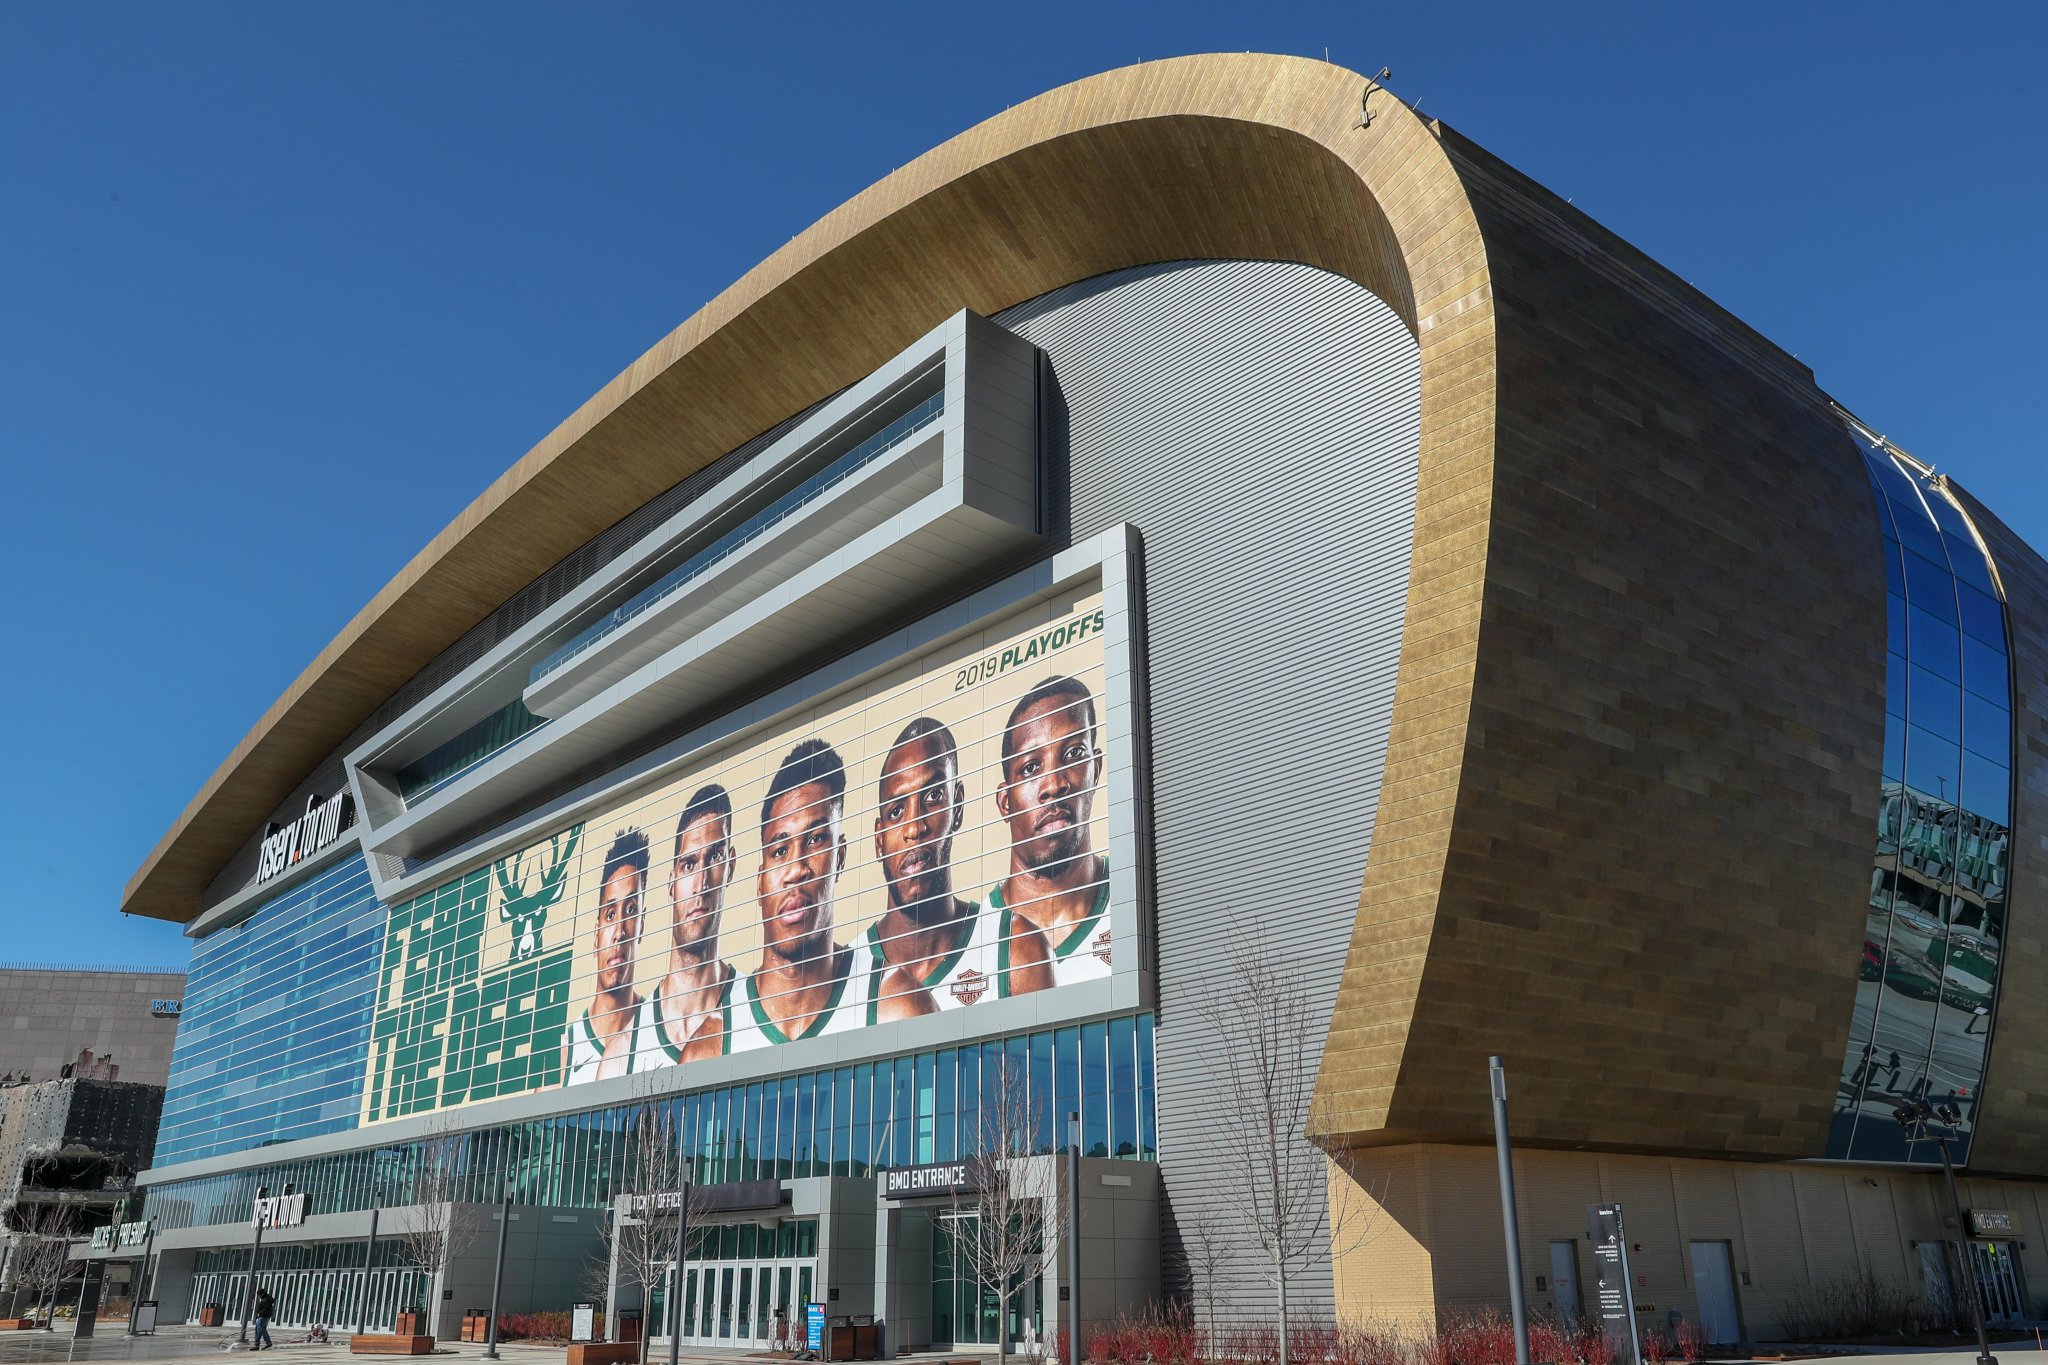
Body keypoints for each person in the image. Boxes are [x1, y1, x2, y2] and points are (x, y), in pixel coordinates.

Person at [867, 718, 1052, 1019]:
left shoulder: (1015, 950)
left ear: (958, 808)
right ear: (879, 841)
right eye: (896, 811)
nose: (914, 827)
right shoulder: (846, 971)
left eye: (933, 797)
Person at [732, 740, 869, 1048]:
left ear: (840, 856)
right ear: (760, 882)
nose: (796, 869)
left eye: (816, 839)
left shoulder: (894, 1008)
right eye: (780, 850)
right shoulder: (711, 1046)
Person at [988, 676, 1113, 985]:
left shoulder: (1137, 900)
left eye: (1073, 754)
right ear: (1005, 803)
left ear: (1095, 771)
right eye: (1031, 767)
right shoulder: (976, 938)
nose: (1054, 785)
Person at [638, 786, 739, 1066]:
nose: (701, 884)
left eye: (715, 858)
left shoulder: (752, 1010)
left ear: (730, 866)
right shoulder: (625, 1047)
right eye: (688, 864)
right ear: (671, 881)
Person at [566, 830, 651, 1081]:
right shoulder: (564, 1055)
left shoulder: (658, 1028)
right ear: (596, 934)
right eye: (611, 914)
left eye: (631, 910)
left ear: (641, 926)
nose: (619, 932)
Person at [251, 1286, 275, 1351]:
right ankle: (267, 1342)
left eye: (259, 1295)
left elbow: (266, 1309)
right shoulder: (267, 1299)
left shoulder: (265, 1300)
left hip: (263, 1317)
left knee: (260, 1330)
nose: (259, 1296)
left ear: (262, 1294)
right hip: (265, 1316)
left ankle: (257, 1344)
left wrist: (259, 1313)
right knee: (261, 1329)